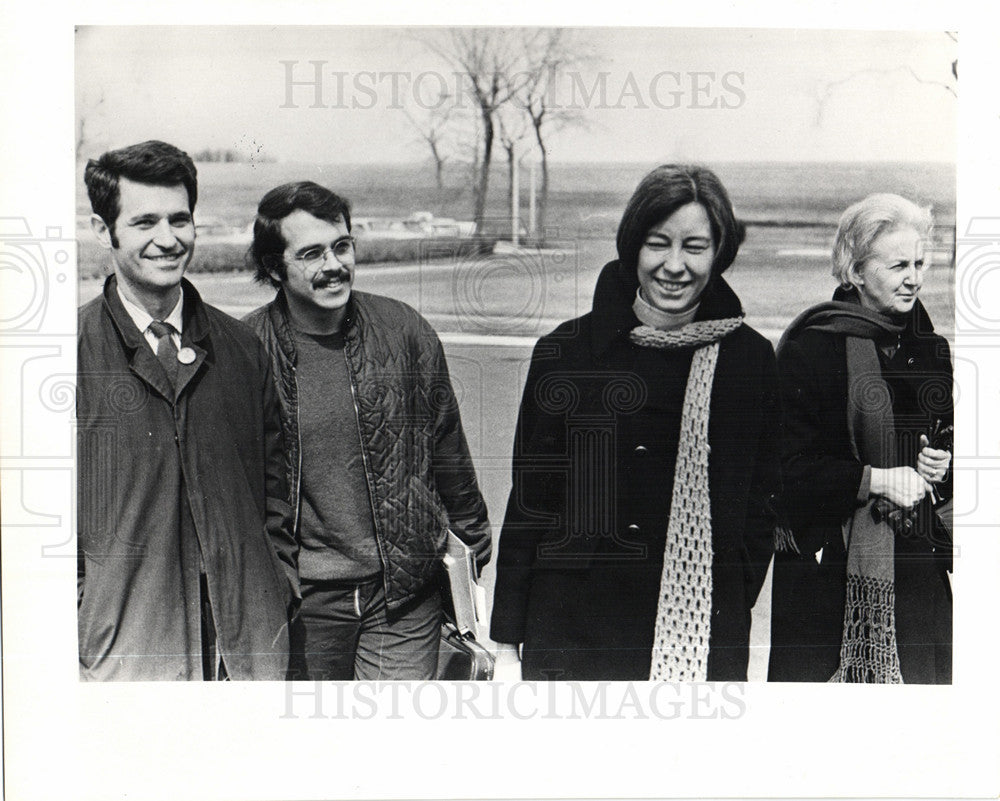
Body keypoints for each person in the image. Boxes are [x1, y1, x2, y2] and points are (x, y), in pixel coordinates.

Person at [489, 164, 780, 681]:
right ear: (633, 247)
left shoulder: (750, 359)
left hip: (699, 631)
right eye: (657, 243)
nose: (674, 265)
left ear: (719, 253)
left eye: (694, 246)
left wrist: (730, 592)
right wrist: (508, 643)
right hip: (572, 632)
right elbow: (529, 501)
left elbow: (761, 504)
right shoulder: (566, 353)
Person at [243, 181, 491, 680]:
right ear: (274, 268)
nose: (334, 265)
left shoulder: (404, 330)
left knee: (392, 749)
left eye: (342, 245)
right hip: (302, 606)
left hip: (401, 598)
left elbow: (447, 447)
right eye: (311, 253)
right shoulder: (245, 350)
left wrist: (471, 547)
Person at [77, 140, 298, 680]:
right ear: (104, 230)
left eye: (181, 219)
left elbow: (277, 498)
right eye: (145, 221)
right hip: (127, 662)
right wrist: (90, 619)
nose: (168, 239)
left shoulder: (243, 349)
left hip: (245, 656)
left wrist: (276, 591)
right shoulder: (65, 354)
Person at [768, 193, 953, 684]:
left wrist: (940, 466)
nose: (914, 277)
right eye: (897, 265)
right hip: (826, 577)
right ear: (854, 269)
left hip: (916, 572)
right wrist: (874, 480)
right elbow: (785, 472)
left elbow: (944, 437)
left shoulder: (930, 348)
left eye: (919, 262)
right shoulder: (811, 349)